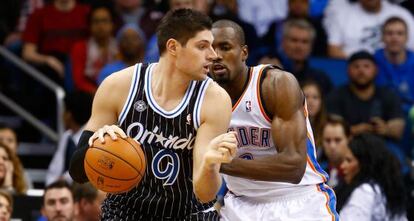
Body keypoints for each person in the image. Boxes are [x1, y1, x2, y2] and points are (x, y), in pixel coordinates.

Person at [69, 9, 237, 220]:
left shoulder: (215, 99)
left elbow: (205, 194)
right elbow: (77, 171)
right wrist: (98, 144)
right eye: (202, 46)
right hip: (126, 210)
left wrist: (210, 164)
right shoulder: (119, 85)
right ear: (173, 47)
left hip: (189, 212)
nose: (213, 55)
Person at [209, 19, 338, 220]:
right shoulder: (201, 97)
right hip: (239, 204)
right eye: (210, 48)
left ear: (244, 53)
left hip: (297, 201)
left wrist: (214, 163)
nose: (216, 55)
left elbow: (293, 167)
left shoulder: (274, 84)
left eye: (225, 47)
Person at [336, 134, 408, 220]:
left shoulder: (365, 191)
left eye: (349, 160)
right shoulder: (388, 191)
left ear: (364, 164)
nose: (342, 166)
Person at [46, 91, 93, 185]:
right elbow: (54, 170)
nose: (62, 115)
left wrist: (65, 179)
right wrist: (53, 185)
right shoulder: (66, 137)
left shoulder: (92, 137)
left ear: (69, 115)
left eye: (64, 111)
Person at [320, 115, 351, 187]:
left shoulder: (356, 174)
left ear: (349, 140)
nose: (332, 146)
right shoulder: (316, 172)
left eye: (337, 140)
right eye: (327, 140)